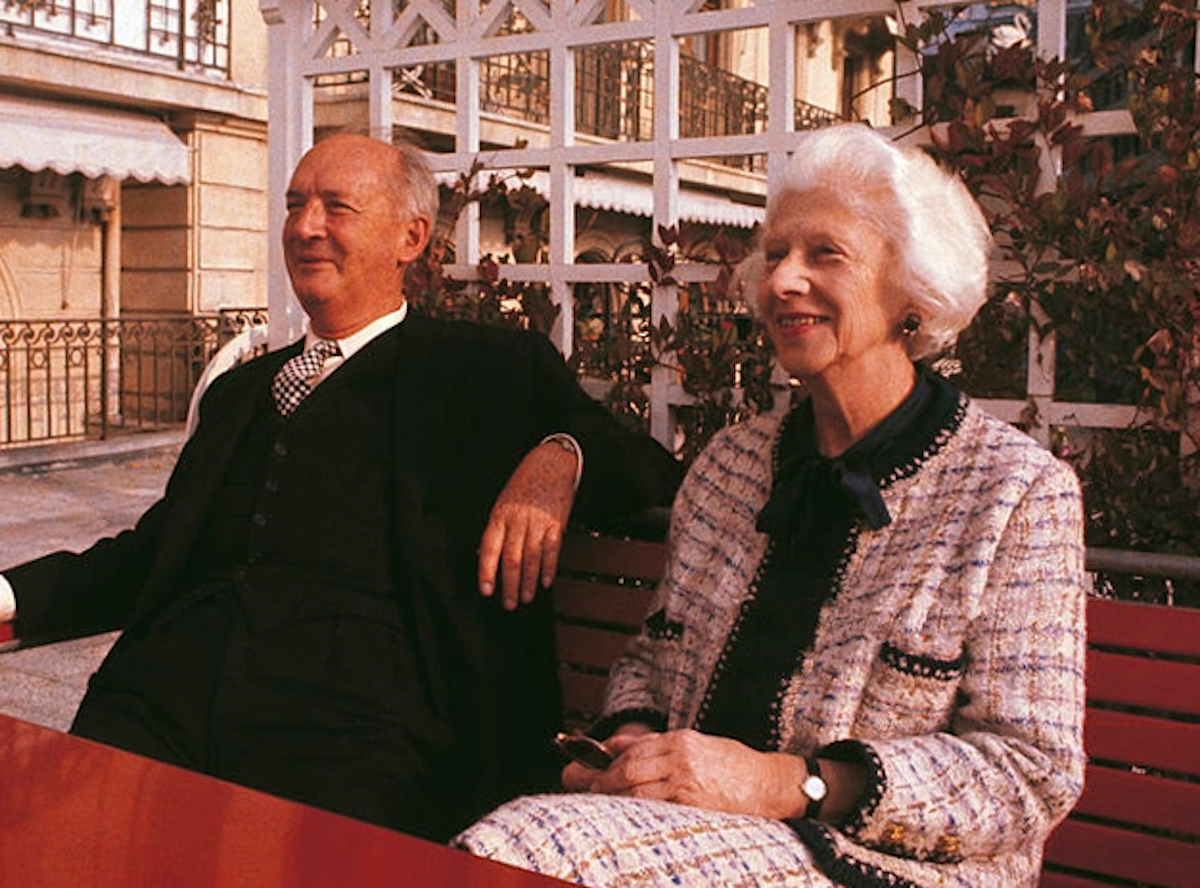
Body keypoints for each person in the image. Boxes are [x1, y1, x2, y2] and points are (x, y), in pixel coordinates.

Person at [455, 123, 1087, 886]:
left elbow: (1028, 771)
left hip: (882, 866)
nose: (784, 280)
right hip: (683, 836)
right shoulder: (730, 466)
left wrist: (788, 783)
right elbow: (652, 660)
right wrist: (628, 742)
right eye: (776, 254)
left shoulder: (1014, 492)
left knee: (525, 850)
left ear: (913, 293)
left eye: (826, 254)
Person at [0, 133, 680, 842]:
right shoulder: (240, 392)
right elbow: (155, 551)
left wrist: (559, 455)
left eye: (336, 207)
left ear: (410, 237)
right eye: (295, 205)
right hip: (159, 701)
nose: (304, 226)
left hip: (365, 732)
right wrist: (8, 594)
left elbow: (647, 469)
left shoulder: (488, 369)